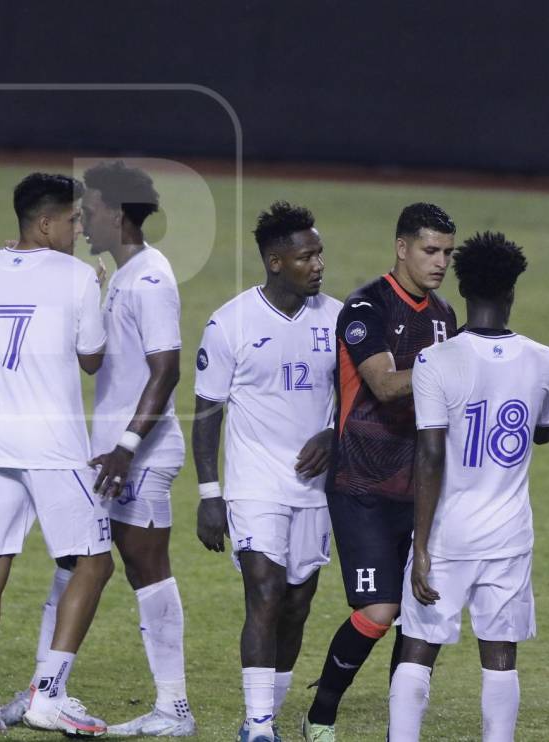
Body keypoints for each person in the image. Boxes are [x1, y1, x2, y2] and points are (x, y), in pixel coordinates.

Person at [1, 161, 196, 736]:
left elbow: (166, 372)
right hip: (108, 453)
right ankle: (45, 690)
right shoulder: (123, 273)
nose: (81, 218)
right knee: (73, 561)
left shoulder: (152, 278)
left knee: (146, 568)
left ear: (115, 213)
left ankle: (174, 709)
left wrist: (128, 446)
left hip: (138, 455)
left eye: (88, 209)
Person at [387, 231, 549, 740]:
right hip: (509, 536)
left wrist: (422, 544)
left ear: (463, 289)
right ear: (512, 292)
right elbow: (540, 431)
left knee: (418, 646)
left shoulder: (437, 359)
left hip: (449, 534)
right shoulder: (542, 359)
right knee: (500, 654)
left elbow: (431, 454)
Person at [0, 173, 113, 736]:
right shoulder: (79, 276)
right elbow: (92, 360)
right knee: (95, 561)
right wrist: (99, 295)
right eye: (74, 219)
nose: (80, 228)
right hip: (56, 447)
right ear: (45, 222)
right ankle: (50, 693)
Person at [303, 202, 458, 741]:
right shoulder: (365, 307)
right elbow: (387, 385)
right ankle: (321, 711)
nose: (440, 263)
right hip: (361, 487)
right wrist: (454, 365)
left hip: (419, 487)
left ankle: (400, 728)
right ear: (402, 247)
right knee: (378, 610)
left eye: (447, 253)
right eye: (430, 250)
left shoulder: (444, 315)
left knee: (420, 618)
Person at [194, 201, 341, 742]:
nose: (319, 264)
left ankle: (271, 713)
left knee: (298, 603)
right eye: (307, 256)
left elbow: (357, 401)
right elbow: (207, 413)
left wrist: (335, 435)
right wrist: (210, 494)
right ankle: (257, 725)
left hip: (314, 487)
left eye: (320, 254)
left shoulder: (337, 318)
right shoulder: (231, 323)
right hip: (254, 483)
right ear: (276, 262)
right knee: (265, 590)